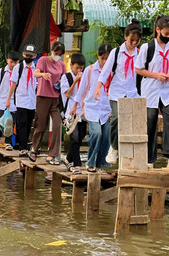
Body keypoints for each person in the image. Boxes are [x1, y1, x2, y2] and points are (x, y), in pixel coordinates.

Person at [136, 15, 169, 168]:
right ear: (158, 30)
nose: (168, 37)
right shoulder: (147, 48)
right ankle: (149, 158)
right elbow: (138, 69)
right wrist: (155, 75)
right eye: (166, 33)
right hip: (150, 89)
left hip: (167, 90)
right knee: (150, 123)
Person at [94, 19, 142, 165]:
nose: (134, 43)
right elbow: (106, 70)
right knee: (116, 118)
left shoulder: (140, 54)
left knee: (132, 124)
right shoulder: (116, 53)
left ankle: (131, 155)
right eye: (132, 39)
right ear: (125, 36)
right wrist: (98, 86)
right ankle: (113, 148)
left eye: (137, 40)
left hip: (133, 92)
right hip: (117, 92)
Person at [71, 44, 112, 172]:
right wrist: (74, 106)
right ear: (98, 56)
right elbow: (81, 90)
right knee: (96, 133)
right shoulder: (89, 70)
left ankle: (99, 164)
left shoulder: (112, 71)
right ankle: (90, 162)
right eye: (102, 58)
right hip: (92, 107)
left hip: (106, 109)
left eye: (107, 58)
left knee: (106, 136)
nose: (104, 61)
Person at [27, 41, 66, 164]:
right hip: (43, 96)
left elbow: (64, 79)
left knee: (57, 124)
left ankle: (52, 154)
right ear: (51, 51)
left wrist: (60, 82)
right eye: (55, 53)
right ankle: (34, 148)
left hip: (55, 98)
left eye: (59, 54)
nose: (57, 55)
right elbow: (36, 73)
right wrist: (43, 74)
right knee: (41, 124)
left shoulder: (61, 65)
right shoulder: (43, 60)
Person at [6, 44, 37, 155]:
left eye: (31, 55)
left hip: (32, 101)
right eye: (27, 55)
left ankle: (23, 143)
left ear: (34, 56)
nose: (28, 57)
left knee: (28, 123)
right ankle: (23, 147)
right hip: (21, 99)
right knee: (21, 123)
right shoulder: (18, 68)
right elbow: (13, 83)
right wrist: (8, 99)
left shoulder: (36, 69)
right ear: (23, 55)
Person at [0, 51, 19, 151]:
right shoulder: (2, 72)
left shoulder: (19, 73)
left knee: (10, 122)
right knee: (0, 120)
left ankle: (8, 142)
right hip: (1, 100)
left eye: (15, 62)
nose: (13, 65)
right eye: (11, 62)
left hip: (14, 101)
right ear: (7, 61)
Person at [61, 53, 86, 174]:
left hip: (82, 112)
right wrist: (75, 81)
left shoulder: (85, 77)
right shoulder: (66, 77)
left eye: (81, 68)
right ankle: (76, 164)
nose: (79, 71)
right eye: (77, 68)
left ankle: (68, 158)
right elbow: (67, 94)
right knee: (74, 137)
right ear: (71, 66)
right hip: (70, 113)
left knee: (80, 137)